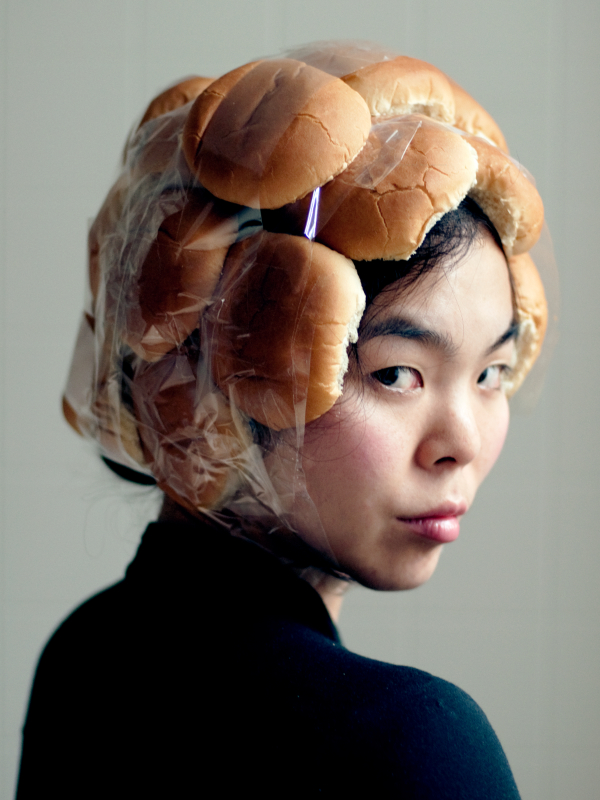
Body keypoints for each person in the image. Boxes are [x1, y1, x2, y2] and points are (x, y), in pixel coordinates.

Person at [16, 42, 549, 798]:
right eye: (397, 374)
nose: (462, 443)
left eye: (491, 374)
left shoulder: (83, 655)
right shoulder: (409, 740)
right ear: (214, 374)